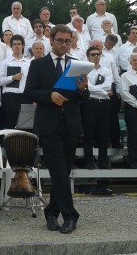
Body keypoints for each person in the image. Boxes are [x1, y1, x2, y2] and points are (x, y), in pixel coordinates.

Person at [24, 24, 89, 234]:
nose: (63, 44)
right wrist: (49, 96)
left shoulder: (76, 64)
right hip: (48, 125)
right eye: (60, 40)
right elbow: (29, 92)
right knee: (58, 170)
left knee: (63, 172)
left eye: (67, 41)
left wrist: (83, 89)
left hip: (71, 124)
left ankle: (51, 212)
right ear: (51, 40)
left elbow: (83, 98)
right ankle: (70, 215)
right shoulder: (38, 64)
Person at [83, 46, 113, 170]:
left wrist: (99, 90)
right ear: (88, 57)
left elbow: (108, 85)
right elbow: (87, 87)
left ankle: (103, 162)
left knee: (104, 134)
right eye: (93, 54)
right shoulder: (85, 71)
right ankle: (88, 162)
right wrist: (105, 92)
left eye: (98, 54)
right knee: (88, 133)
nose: (96, 56)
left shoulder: (107, 71)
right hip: (90, 103)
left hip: (104, 104)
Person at [0, 34, 31, 129]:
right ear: (11, 46)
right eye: (14, 44)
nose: (16, 46)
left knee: (25, 127)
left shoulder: (29, 63)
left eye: (19, 44)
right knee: (10, 126)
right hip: (10, 98)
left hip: (25, 97)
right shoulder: (5, 62)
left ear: (23, 46)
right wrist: (12, 78)